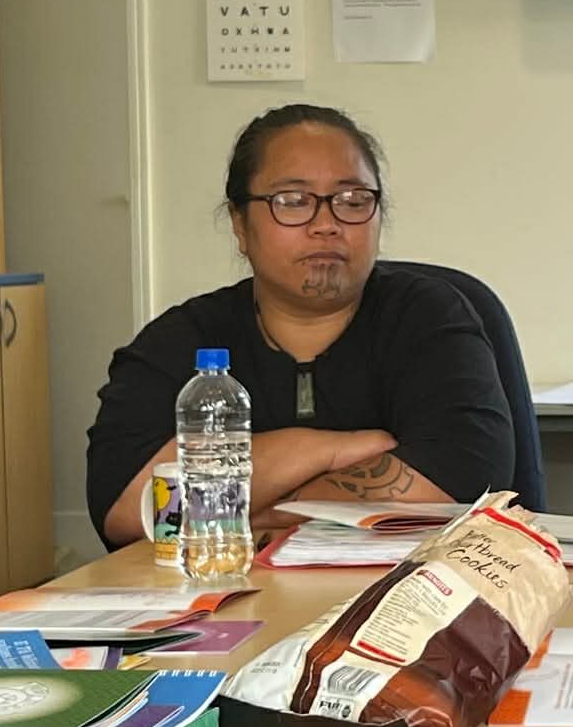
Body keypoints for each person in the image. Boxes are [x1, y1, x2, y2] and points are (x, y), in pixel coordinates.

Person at [86, 104, 514, 548]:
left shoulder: (429, 318)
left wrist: (253, 512)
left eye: (353, 201)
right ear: (239, 224)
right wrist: (321, 450)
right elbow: (123, 509)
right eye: (292, 201)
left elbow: (468, 482)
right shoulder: (181, 340)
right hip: (225, 601)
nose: (327, 224)